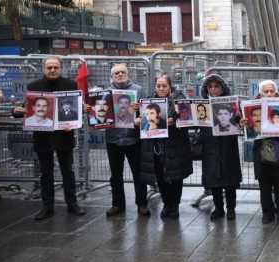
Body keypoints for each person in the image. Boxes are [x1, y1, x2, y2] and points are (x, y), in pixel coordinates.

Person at [12, 57, 85, 219]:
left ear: (61, 69)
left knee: (68, 171)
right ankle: (47, 206)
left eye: (56, 67)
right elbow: (25, 108)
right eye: (49, 67)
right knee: (45, 173)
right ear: (44, 69)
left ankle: (72, 203)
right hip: (42, 137)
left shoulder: (71, 85)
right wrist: (15, 112)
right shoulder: (33, 87)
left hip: (63, 135)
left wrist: (78, 116)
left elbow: (76, 110)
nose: (52, 70)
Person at [91, 65, 149, 217]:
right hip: (113, 139)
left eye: (123, 72)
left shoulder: (138, 90)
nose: (120, 74)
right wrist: (89, 109)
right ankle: (117, 204)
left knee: (138, 174)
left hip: (134, 139)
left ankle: (142, 204)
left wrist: (138, 111)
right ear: (112, 77)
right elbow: (98, 113)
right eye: (117, 73)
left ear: (128, 74)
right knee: (115, 174)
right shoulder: (105, 93)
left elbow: (148, 112)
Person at [138, 76, 192, 220]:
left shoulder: (180, 100)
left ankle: (175, 205)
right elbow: (142, 121)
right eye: (158, 86)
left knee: (176, 178)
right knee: (161, 177)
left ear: (170, 86)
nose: (161, 89)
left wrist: (176, 121)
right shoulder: (148, 102)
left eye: (164, 86)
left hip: (175, 145)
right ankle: (166, 203)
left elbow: (189, 119)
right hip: (157, 146)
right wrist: (137, 119)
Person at [240, 80, 279, 224]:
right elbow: (248, 130)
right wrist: (243, 124)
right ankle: (267, 211)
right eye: (265, 91)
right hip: (260, 151)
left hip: (278, 149)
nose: (269, 94)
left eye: (271, 91)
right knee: (264, 183)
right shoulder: (252, 109)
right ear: (261, 93)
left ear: (276, 93)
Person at [200, 74, 242, 220]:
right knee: (213, 178)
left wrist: (238, 118)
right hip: (209, 146)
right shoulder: (202, 105)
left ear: (222, 88)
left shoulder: (233, 104)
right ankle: (218, 207)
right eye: (210, 87)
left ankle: (231, 208)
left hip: (227, 145)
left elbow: (240, 120)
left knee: (229, 178)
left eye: (216, 86)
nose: (213, 89)